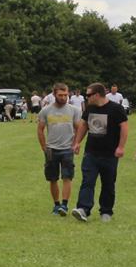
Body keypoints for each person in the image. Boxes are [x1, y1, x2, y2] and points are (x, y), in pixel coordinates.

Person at [73, 82, 128, 222]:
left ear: (97, 95)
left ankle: (106, 212)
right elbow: (84, 125)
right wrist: (77, 142)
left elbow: (124, 128)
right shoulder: (90, 108)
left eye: (89, 95)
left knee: (108, 183)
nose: (87, 97)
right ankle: (83, 209)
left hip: (110, 154)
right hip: (91, 153)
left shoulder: (116, 109)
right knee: (88, 181)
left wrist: (121, 147)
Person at [36, 83, 82, 215]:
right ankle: (56, 205)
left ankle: (64, 205)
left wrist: (76, 143)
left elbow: (79, 128)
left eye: (66, 95)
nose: (63, 98)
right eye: (60, 95)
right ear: (54, 94)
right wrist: (44, 147)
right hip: (51, 149)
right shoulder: (46, 110)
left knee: (67, 177)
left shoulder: (74, 110)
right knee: (53, 178)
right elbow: (40, 129)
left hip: (67, 149)